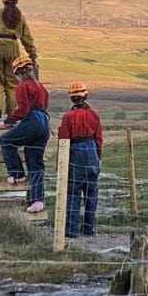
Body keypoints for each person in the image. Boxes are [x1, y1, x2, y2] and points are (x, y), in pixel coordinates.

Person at [0, 55, 49, 213]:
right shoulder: (41, 86)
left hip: (32, 121)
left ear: (17, 73)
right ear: (31, 69)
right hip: (44, 124)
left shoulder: (22, 86)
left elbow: (23, 110)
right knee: (36, 164)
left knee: (6, 140)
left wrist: (7, 121)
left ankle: (17, 173)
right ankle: (38, 201)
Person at [0, 0, 38, 125]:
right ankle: (11, 113)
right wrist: (32, 55)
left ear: (3, 1)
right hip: (12, 46)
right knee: (12, 83)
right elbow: (27, 38)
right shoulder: (20, 18)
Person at [57, 82, 103, 238]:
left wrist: (60, 163)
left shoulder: (68, 117)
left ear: (71, 99)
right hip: (92, 152)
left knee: (73, 192)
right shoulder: (94, 115)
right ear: (86, 95)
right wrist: (98, 157)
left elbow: (63, 140)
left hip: (76, 151)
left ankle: (71, 230)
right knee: (91, 192)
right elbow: (99, 139)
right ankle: (89, 228)